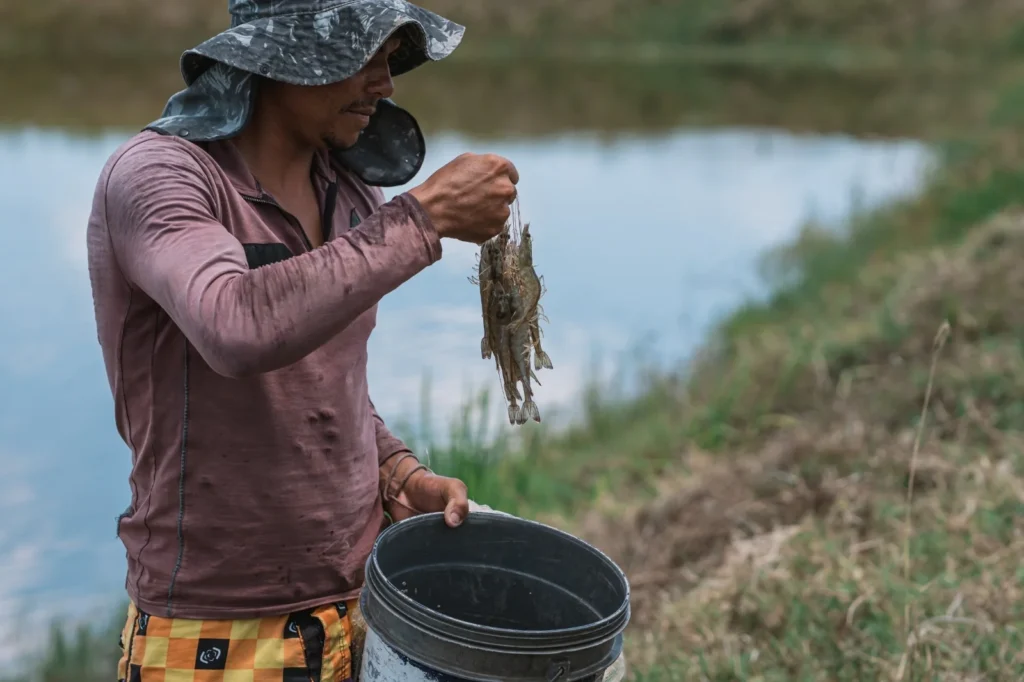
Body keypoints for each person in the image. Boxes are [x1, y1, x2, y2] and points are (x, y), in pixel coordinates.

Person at [85, 1, 519, 679]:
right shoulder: (161, 178)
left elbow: (329, 387)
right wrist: (424, 218)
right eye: (364, 55)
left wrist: (401, 476)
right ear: (278, 57)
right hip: (215, 633)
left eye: (390, 58)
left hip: (355, 610)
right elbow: (234, 325)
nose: (385, 84)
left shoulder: (347, 190)